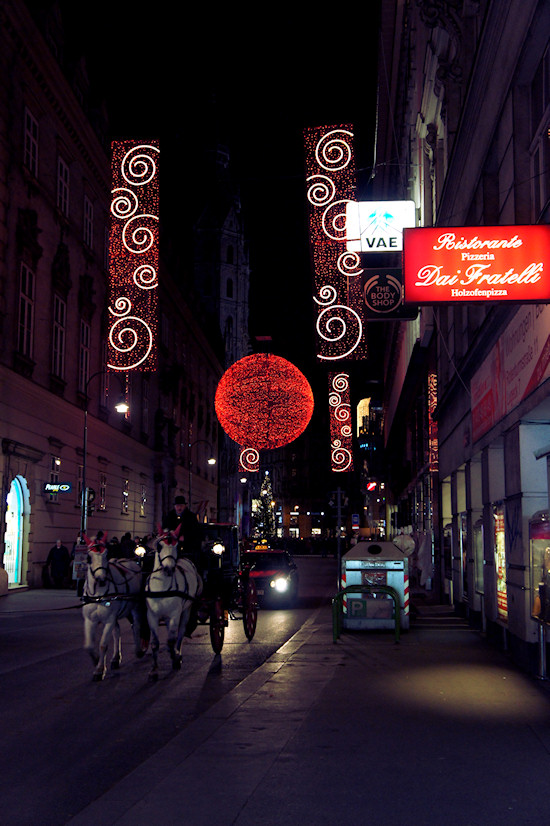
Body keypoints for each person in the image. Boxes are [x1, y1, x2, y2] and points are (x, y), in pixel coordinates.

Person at [162, 496, 200, 563]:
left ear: (184, 506)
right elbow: (165, 528)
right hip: (172, 546)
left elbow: (196, 531)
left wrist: (186, 537)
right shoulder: (169, 516)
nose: (179, 508)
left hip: (187, 547)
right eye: (177, 506)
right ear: (174, 506)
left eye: (181, 506)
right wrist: (170, 533)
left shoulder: (191, 517)